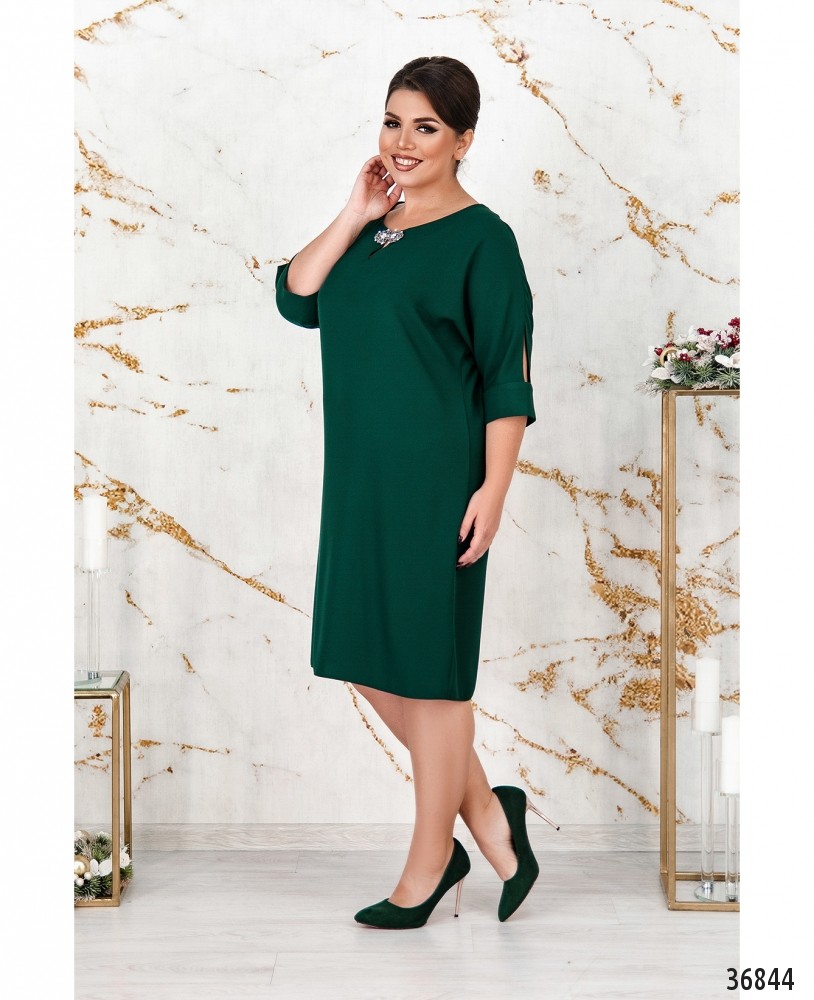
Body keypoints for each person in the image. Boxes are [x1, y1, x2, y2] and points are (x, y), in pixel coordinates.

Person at [275, 55, 558, 929]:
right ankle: (490, 817)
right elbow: (297, 295)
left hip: (439, 483)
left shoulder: (484, 239)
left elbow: (507, 379)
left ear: (463, 139)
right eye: (394, 121)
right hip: (359, 480)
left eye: (426, 127)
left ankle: (430, 863)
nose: (403, 141)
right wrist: (357, 209)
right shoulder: (373, 228)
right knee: (362, 655)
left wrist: (494, 490)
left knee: (433, 679)